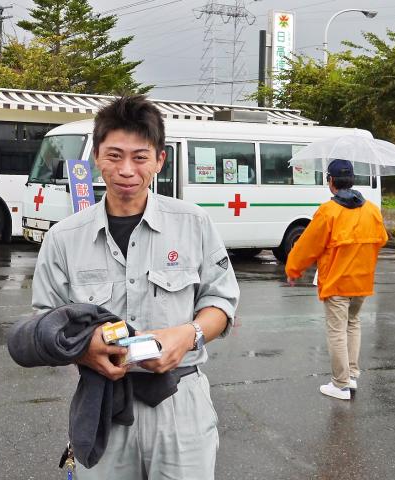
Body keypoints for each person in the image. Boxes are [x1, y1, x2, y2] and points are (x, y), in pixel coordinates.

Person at [30, 96, 240, 479]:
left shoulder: (195, 224)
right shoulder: (63, 239)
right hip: (103, 405)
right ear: (96, 157)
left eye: (140, 157)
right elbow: (46, 322)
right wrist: (84, 351)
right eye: (114, 155)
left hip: (181, 403)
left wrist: (188, 334)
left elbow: (221, 303)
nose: (126, 170)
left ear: (160, 160)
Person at [285, 159, 388, 401]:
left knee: (337, 331)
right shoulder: (372, 209)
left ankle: (341, 384)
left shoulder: (328, 211)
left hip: (337, 282)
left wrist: (293, 269)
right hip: (362, 281)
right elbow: (381, 238)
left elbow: (308, 245)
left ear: (330, 182)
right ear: (352, 180)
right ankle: (351, 374)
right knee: (353, 323)